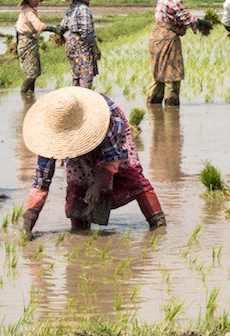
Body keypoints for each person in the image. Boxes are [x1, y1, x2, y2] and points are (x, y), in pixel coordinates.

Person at [19, 86, 166, 237]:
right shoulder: (47, 134)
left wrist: (97, 185)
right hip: (76, 139)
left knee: (130, 176)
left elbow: (112, 159)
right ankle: (79, 233)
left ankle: (158, 225)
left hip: (110, 139)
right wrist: (29, 218)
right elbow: (42, 179)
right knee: (77, 184)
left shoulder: (108, 116)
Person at [148, 0, 210, 106]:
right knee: (172, 74)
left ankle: (154, 110)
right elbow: (187, 19)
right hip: (167, 39)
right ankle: (172, 112)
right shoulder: (174, 0)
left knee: (159, 73)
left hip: (156, 37)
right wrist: (201, 23)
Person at [15, 0, 60, 94]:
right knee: (31, 74)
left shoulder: (29, 10)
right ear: (28, 0)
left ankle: (30, 95)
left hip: (28, 41)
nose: (37, 1)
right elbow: (38, 26)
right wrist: (52, 29)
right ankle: (23, 95)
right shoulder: (28, 11)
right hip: (27, 42)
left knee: (34, 72)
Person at [59, 0, 99, 89]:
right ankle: (83, 98)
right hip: (81, 43)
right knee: (86, 73)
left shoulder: (72, 8)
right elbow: (86, 31)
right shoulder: (83, 8)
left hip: (71, 41)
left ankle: (75, 98)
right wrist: (95, 48)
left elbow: (62, 26)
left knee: (76, 73)